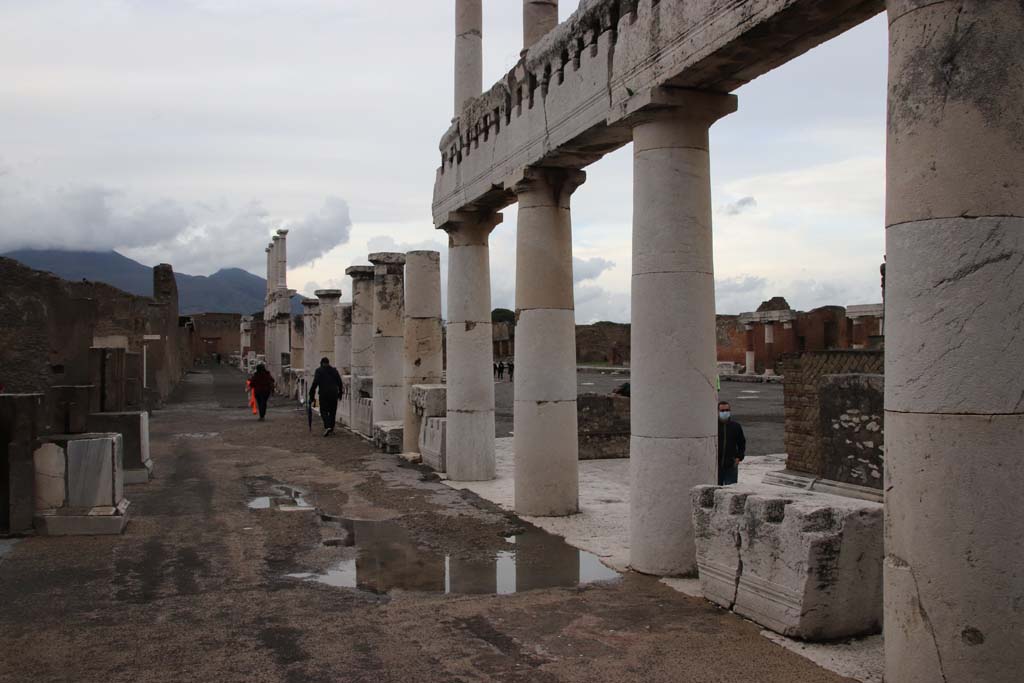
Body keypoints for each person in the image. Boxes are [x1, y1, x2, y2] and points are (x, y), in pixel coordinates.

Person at [309, 357, 343, 437]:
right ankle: (331, 428)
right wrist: (340, 393)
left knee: (323, 411)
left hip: (324, 394)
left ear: (321, 363)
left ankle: (327, 426)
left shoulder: (319, 371)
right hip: (334, 394)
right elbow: (339, 382)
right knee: (332, 412)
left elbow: (315, 384)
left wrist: (311, 395)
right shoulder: (334, 371)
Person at [717, 400, 746, 485]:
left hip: (731, 465)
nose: (725, 412)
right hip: (716, 466)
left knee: (730, 490)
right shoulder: (713, 426)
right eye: (722, 411)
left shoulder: (736, 426)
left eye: (727, 410)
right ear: (717, 411)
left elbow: (742, 443)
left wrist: (739, 457)